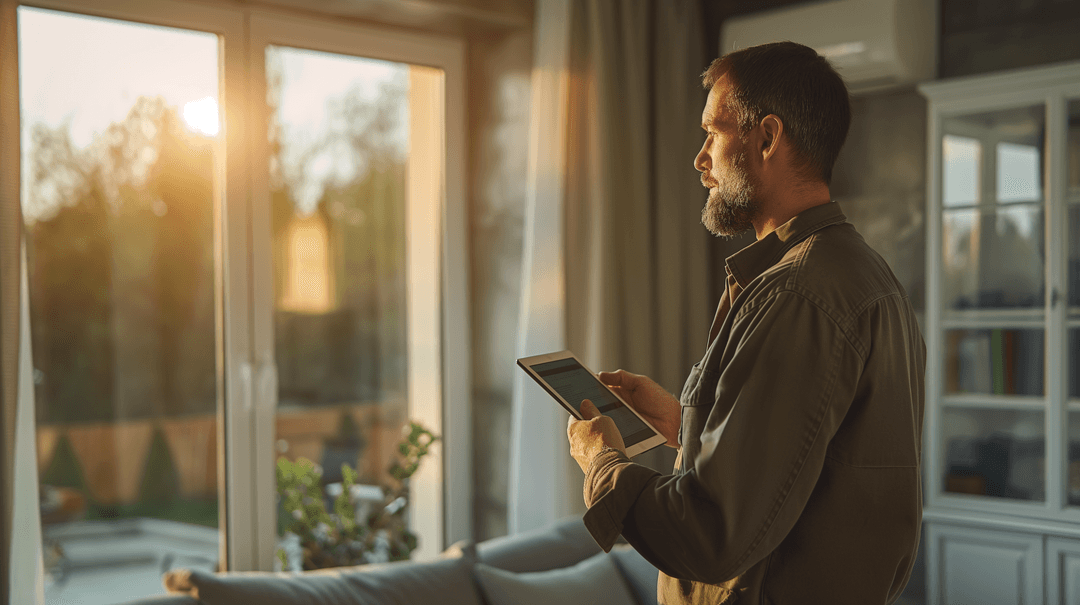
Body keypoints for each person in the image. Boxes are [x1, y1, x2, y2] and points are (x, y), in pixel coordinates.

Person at [566, 41, 926, 605]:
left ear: (767, 138)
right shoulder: (863, 276)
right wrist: (683, 426)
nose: (700, 157)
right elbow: (811, 470)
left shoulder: (797, 295)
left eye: (713, 130)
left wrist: (602, 463)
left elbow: (711, 532)